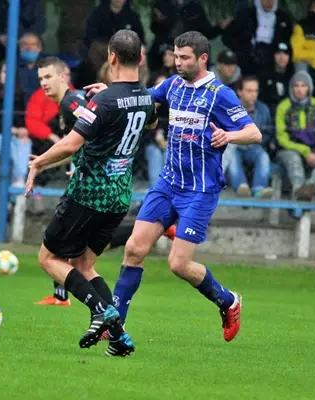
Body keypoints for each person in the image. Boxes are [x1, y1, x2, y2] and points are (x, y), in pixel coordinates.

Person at [85, 31, 262, 342]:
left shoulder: (220, 94)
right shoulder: (173, 85)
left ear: (203, 58)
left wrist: (229, 135)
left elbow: (254, 133)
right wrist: (109, 93)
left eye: (185, 58)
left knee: (179, 264)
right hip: (168, 183)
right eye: (176, 57)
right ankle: (115, 325)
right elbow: (142, 98)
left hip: (200, 190)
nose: (178, 63)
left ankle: (228, 301)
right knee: (134, 249)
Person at [25, 30, 157, 357]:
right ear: (140, 58)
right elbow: (151, 124)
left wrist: (38, 163)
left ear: (111, 57)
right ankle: (119, 337)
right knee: (84, 264)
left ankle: (100, 311)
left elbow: (72, 143)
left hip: (89, 193)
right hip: (119, 195)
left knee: (48, 259)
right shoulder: (146, 98)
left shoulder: (103, 100)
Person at [33, 56, 177, 307]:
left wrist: (86, 164)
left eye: (48, 77)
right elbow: (78, 143)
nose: (44, 83)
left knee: (59, 251)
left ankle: (74, 300)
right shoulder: (71, 103)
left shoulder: (70, 102)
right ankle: (83, 305)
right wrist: (54, 162)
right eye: (40, 79)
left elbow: (90, 133)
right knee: (76, 256)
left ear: (63, 76)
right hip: (100, 183)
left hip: (95, 186)